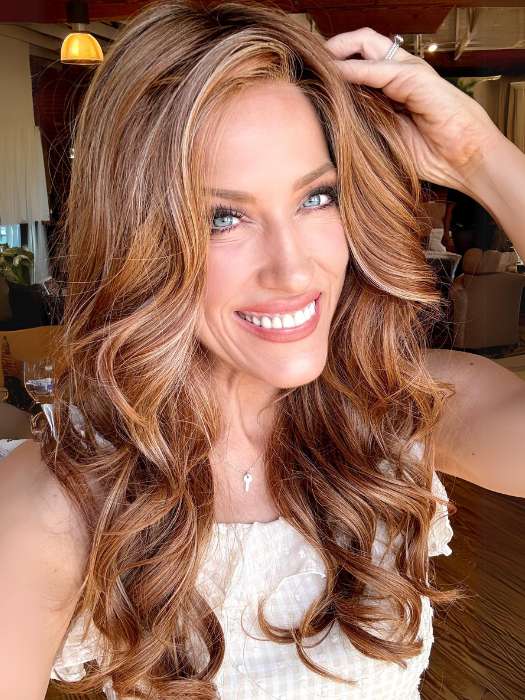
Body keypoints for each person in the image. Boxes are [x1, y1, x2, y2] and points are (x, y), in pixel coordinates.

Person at [1, 2, 525, 699]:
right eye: (224, 217)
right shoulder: (61, 496)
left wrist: (477, 156)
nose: (294, 269)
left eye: (316, 198)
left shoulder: (408, 408)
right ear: (139, 241)